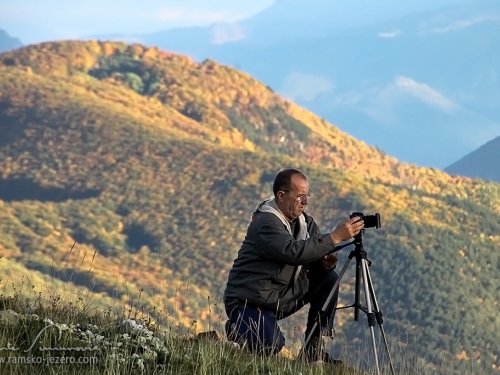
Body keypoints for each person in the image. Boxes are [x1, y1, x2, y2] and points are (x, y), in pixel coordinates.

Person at [223, 168, 364, 362]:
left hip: (280, 297)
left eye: (307, 196)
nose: (305, 202)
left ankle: (313, 350)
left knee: (329, 278)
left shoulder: (305, 222)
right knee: (269, 345)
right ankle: (236, 327)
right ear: (281, 195)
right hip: (250, 301)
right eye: (300, 196)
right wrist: (336, 236)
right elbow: (293, 252)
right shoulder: (265, 222)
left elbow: (315, 250)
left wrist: (326, 263)